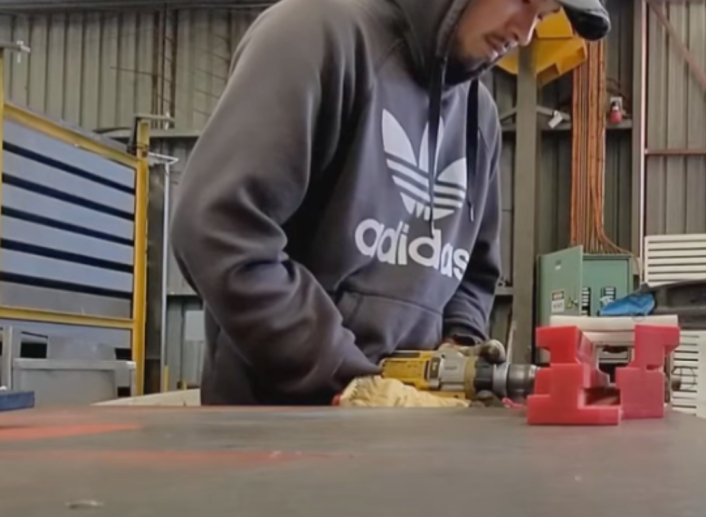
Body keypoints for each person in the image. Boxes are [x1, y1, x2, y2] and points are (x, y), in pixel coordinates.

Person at [170, 0, 610, 406]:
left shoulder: (481, 118)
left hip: (402, 438)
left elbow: (474, 272)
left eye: (542, 14)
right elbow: (219, 228)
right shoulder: (316, 33)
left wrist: (459, 347)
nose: (526, 32)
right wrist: (348, 379)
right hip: (276, 434)